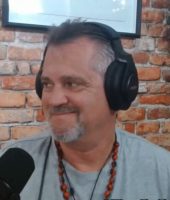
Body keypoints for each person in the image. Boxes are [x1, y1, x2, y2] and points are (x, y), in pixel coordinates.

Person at [0, 19, 170, 200]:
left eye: (72, 83)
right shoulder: (9, 172)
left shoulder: (162, 170)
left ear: (118, 88)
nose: (53, 100)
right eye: (47, 84)